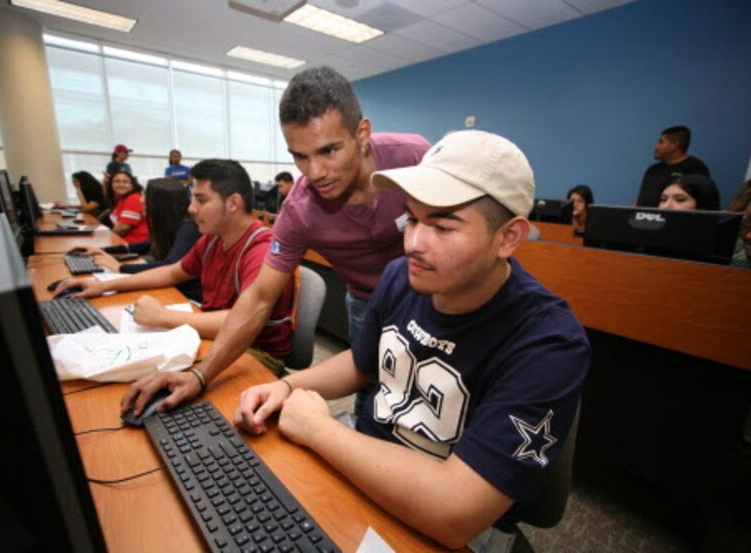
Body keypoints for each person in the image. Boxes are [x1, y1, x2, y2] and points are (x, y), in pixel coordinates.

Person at [234, 130, 590, 551]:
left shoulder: (548, 341)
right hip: (363, 461)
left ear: (508, 237)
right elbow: (360, 363)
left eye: (442, 226)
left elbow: (455, 513)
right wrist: (289, 385)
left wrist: (318, 430)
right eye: (413, 219)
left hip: (449, 525)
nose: (413, 243)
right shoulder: (400, 276)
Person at [119, 66, 430, 417]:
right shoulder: (300, 209)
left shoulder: (414, 157)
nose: (314, 173)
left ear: (362, 133)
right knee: (374, 398)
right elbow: (259, 298)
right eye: (299, 156)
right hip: (366, 302)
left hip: (433, 294)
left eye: (329, 150)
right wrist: (201, 375)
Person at [54, 159, 295, 371]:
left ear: (233, 203)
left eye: (201, 200)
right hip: (216, 335)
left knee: (155, 376)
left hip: (256, 352)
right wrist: (105, 285)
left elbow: (242, 319)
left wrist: (162, 316)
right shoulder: (212, 239)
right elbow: (173, 272)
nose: (191, 209)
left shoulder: (260, 249)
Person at [88, 178, 202, 301]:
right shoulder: (171, 222)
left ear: (161, 203)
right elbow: (147, 244)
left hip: (186, 296)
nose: (141, 199)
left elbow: (170, 265)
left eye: (146, 196)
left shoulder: (188, 227)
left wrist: (120, 267)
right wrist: (105, 250)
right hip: (172, 287)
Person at [637, 126, 710, 207]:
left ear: (674, 145)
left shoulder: (695, 167)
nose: (656, 147)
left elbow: (703, 202)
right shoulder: (652, 170)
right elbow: (640, 199)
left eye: (661, 142)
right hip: (643, 218)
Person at [106, 170, 149, 243]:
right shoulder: (121, 199)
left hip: (133, 245)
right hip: (123, 242)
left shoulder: (134, 198)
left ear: (132, 185)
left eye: (125, 182)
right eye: (117, 181)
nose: (121, 185)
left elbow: (122, 228)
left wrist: (106, 239)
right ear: (111, 184)